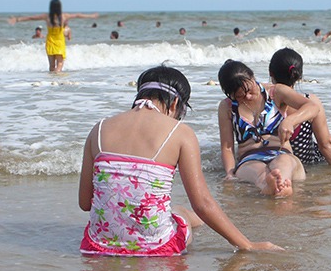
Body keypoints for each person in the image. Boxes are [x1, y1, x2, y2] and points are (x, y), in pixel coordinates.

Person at [79, 65, 282, 256]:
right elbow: (202, 204)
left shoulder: (99, 128)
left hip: (98, 246)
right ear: (175, 103)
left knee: (171, 211)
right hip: (156, 248)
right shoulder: (181, 133)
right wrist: (247, 244)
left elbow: (85, 202)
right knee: (180, 212)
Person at [216, 59, 319, 197]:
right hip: (249, 159)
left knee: (283, 163)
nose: (248, 97)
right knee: (259, 173)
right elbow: (227, 147)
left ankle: (281, 182)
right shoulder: (227, 107)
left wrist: (290, 120)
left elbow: (312, 107)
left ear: (253, 77)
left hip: (281, 152)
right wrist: (229, 172)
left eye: (250, 90)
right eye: (240, 96)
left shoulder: (276, 92)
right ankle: (268, 185)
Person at [269, 48, 331, 168]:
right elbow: (326, 144)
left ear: (271, 73)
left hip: (277, 166)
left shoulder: (260, 103)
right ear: (299, 76)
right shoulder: (311, 102)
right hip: (309, 162)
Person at [8, 0, 99, 72]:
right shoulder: (64, 16)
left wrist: (17, 19)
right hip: (59, 42)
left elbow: (31, 18)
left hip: (50, 41)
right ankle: (57, 80)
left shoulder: (47, 16)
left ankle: (52, 83)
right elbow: (78, 15)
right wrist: (91, 16)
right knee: (60, 64)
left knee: (51, 65)